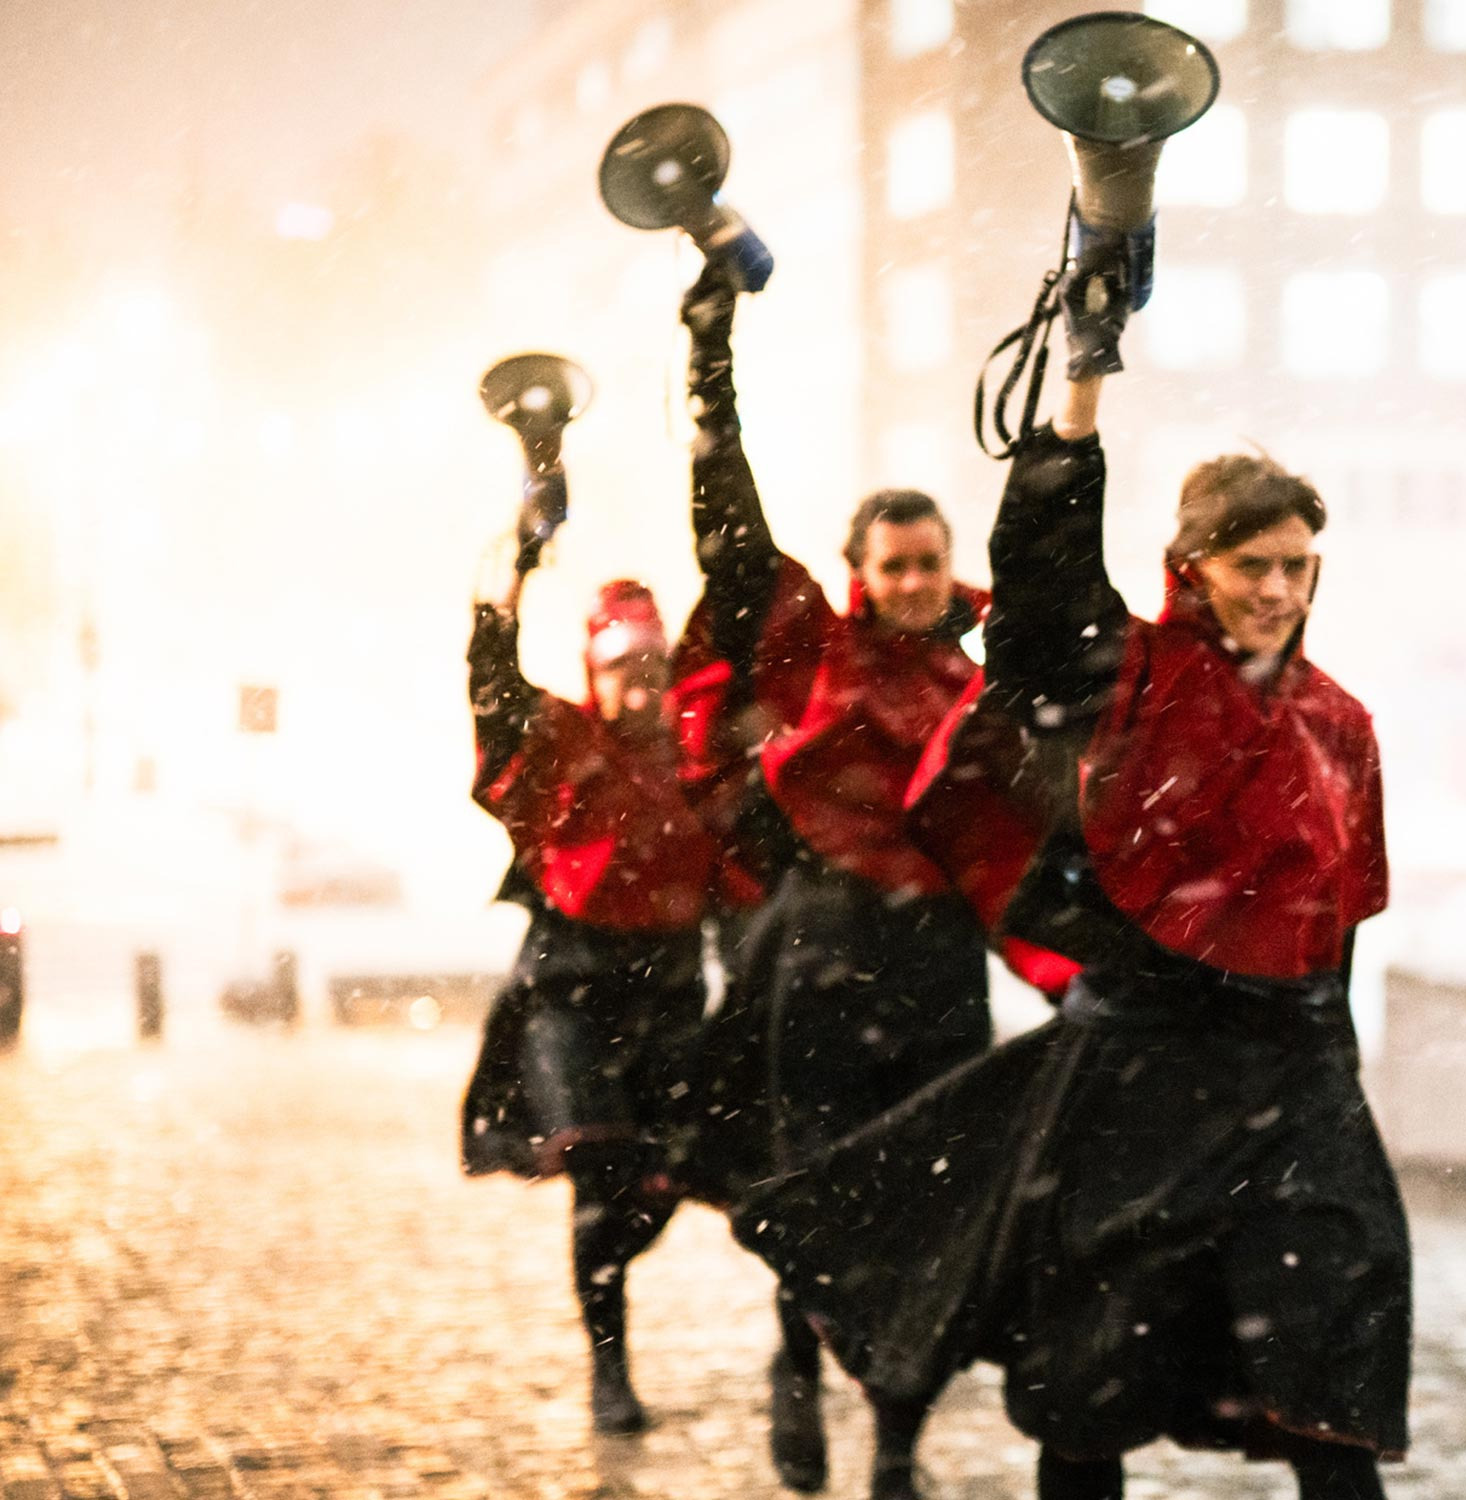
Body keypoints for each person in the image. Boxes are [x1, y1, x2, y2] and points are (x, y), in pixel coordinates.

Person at [731, 227, 1409, 1500]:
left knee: (1328, 1379)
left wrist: (1335, 1089)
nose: (1276, 589)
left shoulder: (1341, 725)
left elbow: (1340, 925)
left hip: (1294, 1087)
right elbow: (1042, 582)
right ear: (1192, 569)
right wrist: (1083, 376)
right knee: (1089, 1386)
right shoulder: (1129, 676)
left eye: (1295, 566)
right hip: (1134, 1075)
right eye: (1251, 565)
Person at [661, 253, 993, 1497]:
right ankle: (794, 1360)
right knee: (813, 1186)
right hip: (821, 959)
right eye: (890, 565)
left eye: (926, 564)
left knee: (929, 1209)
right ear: (862, 570)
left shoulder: (978, 685)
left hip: (939, 970)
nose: (909, 584)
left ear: (946, 568)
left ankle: (896, 1441)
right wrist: (711, 370)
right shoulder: (814, 652)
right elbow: (732, 534)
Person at [458, 446, 718, 1435]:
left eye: (653, 668)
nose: (640, 687)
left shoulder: (697, 759)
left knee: (667, 1175)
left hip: (668, 991)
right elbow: (491, 683)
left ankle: (615, 1273)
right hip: (571, 994)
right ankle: (611, 1365)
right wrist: (515, 568)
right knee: (604, 1177)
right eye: (623, 670)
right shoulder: (560, 741)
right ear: (595, 673)